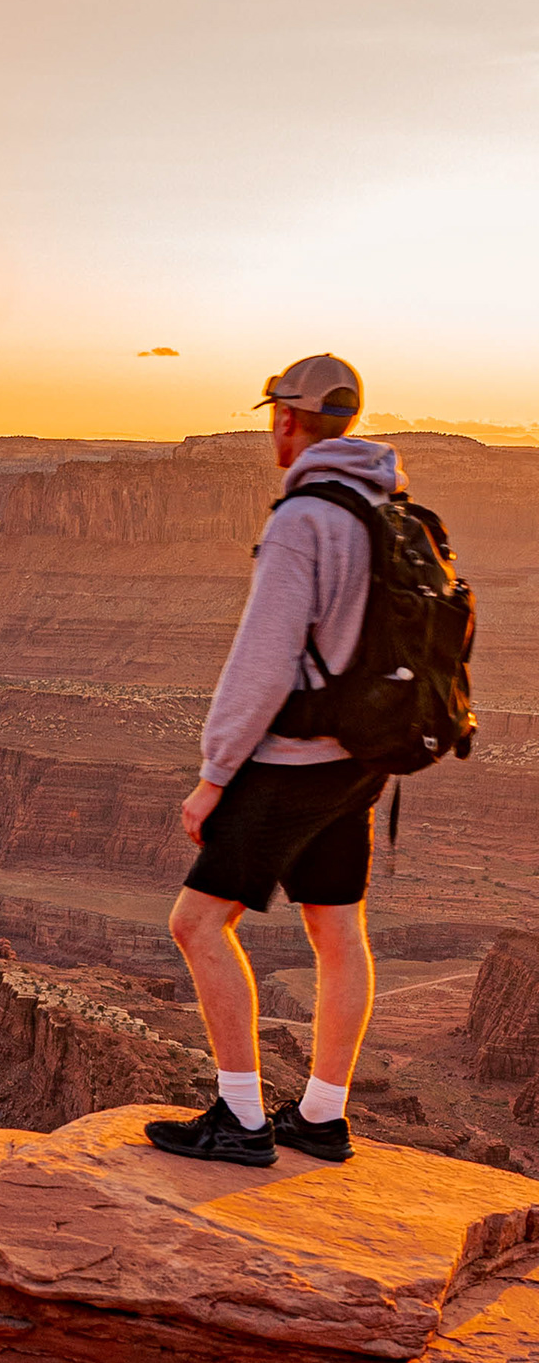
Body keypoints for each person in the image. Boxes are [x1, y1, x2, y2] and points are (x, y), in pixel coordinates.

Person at [145, 353, 401, 1170]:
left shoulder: (304, 517)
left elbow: (262, 662)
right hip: (359, 757)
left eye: (273, 417)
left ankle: (241, 1116)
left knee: (196, 923)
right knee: (336, 930)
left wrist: (215, 775)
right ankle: (322, 1116)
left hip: (293, 760)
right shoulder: (382, 501)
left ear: (287, 419)